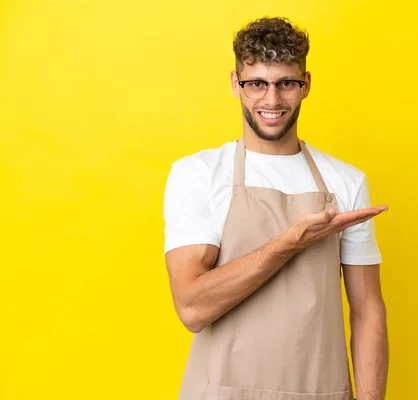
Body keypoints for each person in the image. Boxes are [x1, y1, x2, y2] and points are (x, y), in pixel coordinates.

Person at [163, 17, 389, 400]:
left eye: (286, 83)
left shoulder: (346, 181)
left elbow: (367, 312)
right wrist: (290, 242)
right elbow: (192, 308)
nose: (272, 100)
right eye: (257, 84)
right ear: (236, 84)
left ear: (306, 86)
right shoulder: (198, 174)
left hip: (321, 391)